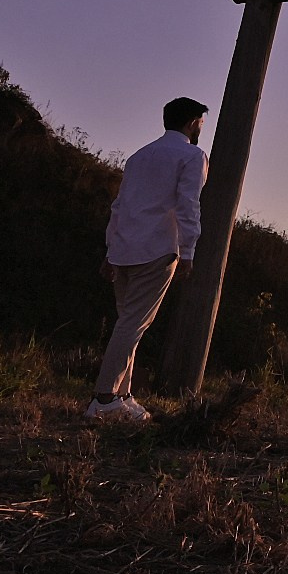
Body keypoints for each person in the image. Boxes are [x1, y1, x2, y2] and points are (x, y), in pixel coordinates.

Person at [87, 96, 209, 421]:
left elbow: (120, 205)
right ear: (191, 122)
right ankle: (103, 399)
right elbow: (188, 204)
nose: (201, 129)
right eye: (201, 122)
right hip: (156, 249)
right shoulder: (192, 155)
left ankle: (122, 395)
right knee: (132, 324)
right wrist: (189, 251)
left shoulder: (140, 156)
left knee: (129, 323)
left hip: (125, 248)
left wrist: (111, 250)